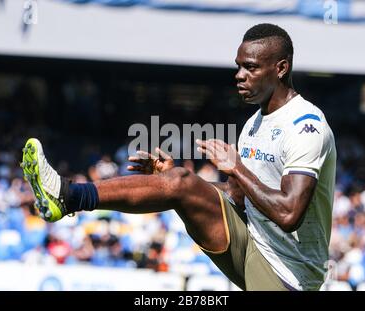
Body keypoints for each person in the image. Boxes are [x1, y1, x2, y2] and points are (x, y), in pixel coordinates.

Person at [21, 23, 336, 291]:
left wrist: (237, 168)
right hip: (253, 244)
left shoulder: (305, 126)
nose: (239, 75)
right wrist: (178, 185)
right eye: (238, 66)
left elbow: (289, 213)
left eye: (250, 67)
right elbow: (240, 201)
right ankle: (68, 196)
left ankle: (69, 196)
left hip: (289, 275)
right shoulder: (254, 124)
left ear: (281, 68)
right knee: (182, 181)